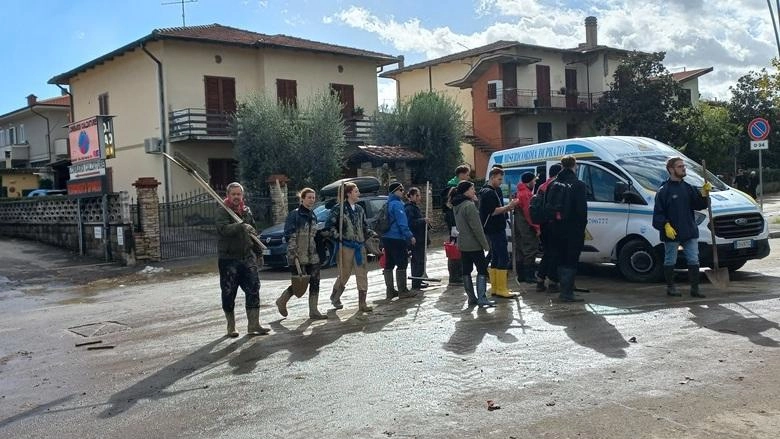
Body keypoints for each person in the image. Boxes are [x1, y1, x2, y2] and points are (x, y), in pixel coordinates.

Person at [215, 182, 269, 337]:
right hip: (228, 259)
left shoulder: (246, 211)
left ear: (242, 196)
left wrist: (258, 253)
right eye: (233, 194)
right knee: (228, 291)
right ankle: (231, 326)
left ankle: (254, 324)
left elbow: (253, 233)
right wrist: (240, 226)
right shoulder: (222, 211)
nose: (236, 197)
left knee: (254, 288)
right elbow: (223, 230)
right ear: (228, 195)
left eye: (239, 194)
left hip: (247, 257)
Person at [652, 156, 710, 298]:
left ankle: (695, 289)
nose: (683, 168)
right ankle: (671, 287)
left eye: (684, 166)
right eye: (679, 166)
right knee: (670, 260)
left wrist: (704, 194)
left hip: (689, 231)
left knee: (694, 259)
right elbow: (657, 214)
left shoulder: (688, 188)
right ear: (671, 170)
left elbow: (700, 205)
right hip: (672, 233)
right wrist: (665, 225)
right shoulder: (663, 191)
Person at [274, 188, 327, 320]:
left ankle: (313, 310)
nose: (311, 200)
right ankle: (282, 300)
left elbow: (315, 235)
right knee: (300, 283)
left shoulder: (313, 215)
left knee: (315, 281)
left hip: (312, 254)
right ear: (302, 199)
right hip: (298, 254)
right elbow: (289, 235)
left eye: (313, 198)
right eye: (309, 197)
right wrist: (294, 252)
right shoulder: (295, 215)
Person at [326, 182, 376, 312]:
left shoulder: (360, 209)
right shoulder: (339, 209)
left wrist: (371, 234)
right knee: (344, 274)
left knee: (362, 274)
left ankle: (362, 303)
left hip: (359, 246)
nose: (358, 193)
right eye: (356, 191)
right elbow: (328, 227)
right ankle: (335, 296)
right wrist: (338, 237)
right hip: (346, 246)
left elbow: (365, 226)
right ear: (348, 193)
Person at [545, 156, 588, 303]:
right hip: (573, 228)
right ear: (574, 166)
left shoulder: (553, 183)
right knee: (571, 259)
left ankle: (565, 288)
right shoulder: (578, 185)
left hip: (556, 227)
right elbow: (582, 211)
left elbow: (547, 206)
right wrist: (582, 228)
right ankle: (567, 292)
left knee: (560, 257)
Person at [451, 181, 495, 307]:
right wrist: (485, 244)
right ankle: (482, 297)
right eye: (472, 189)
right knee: (481, 269)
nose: (474, 191)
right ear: (466, 191)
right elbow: (477, 228)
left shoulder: (457, 205)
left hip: (463, 243)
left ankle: (471, 298)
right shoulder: (468, 206)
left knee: (466, 270)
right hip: (474, 244)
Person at [478, 167, 518, 298]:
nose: (501, 182)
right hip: (494, 228)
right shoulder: (488, 192)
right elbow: (493, 211)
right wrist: (509, 207)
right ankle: (501, 288)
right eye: (499, 179)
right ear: (492, 177)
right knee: (503, 256)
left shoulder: (490, 190)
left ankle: (495, 287)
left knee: (495, 256)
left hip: (493, 227)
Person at [382, 181, 418, 299]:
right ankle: (403, 290)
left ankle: (390, 291)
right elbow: (402, 223)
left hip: (386, 237)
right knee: (402, 263)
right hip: (397, 237)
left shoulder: (387, 203)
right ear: (395, 191)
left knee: (389, 264)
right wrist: (409, 236)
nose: (403, 192)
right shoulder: (397, 204)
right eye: (401, 190)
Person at [534, 164, 562, 293]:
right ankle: (552, 282)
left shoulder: (542, 186)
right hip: (553, 224)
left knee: (548, 252)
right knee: (555, 253)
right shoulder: (556, 185)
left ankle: (540, 280)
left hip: (543, 224)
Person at [442, 164, 471, 285]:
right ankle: (455, 276)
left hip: (456, 222)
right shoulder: (453, 188)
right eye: (467, 174)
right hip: (454, 223)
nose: (469, 177)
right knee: (455, 248)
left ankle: (458, 274)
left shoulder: (454, 186)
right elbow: (451, 208)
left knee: (458, 247)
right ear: (461, 174)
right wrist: (453, 225)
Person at [513, 172, 541, 284]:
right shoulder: (526, 194)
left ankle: (521, 275)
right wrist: (537, 227)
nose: (535, 183)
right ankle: (529, 276)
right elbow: (529, 213)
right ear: (529, 182)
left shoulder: (519, 192)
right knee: (530, 249)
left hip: (519, 226)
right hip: (526, 226)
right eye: (534, 181)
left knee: (520, 249)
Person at [404, 187, 428, 291]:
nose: (419, 197)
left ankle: (418, 279)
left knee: (421, 259)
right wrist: (423, 221)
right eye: (417, 195)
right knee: (417, 260)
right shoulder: (409, 208)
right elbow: (410, 223)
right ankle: (416, 282)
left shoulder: (414, 207)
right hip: (416, 238)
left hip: (420, 237)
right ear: (411, 196)